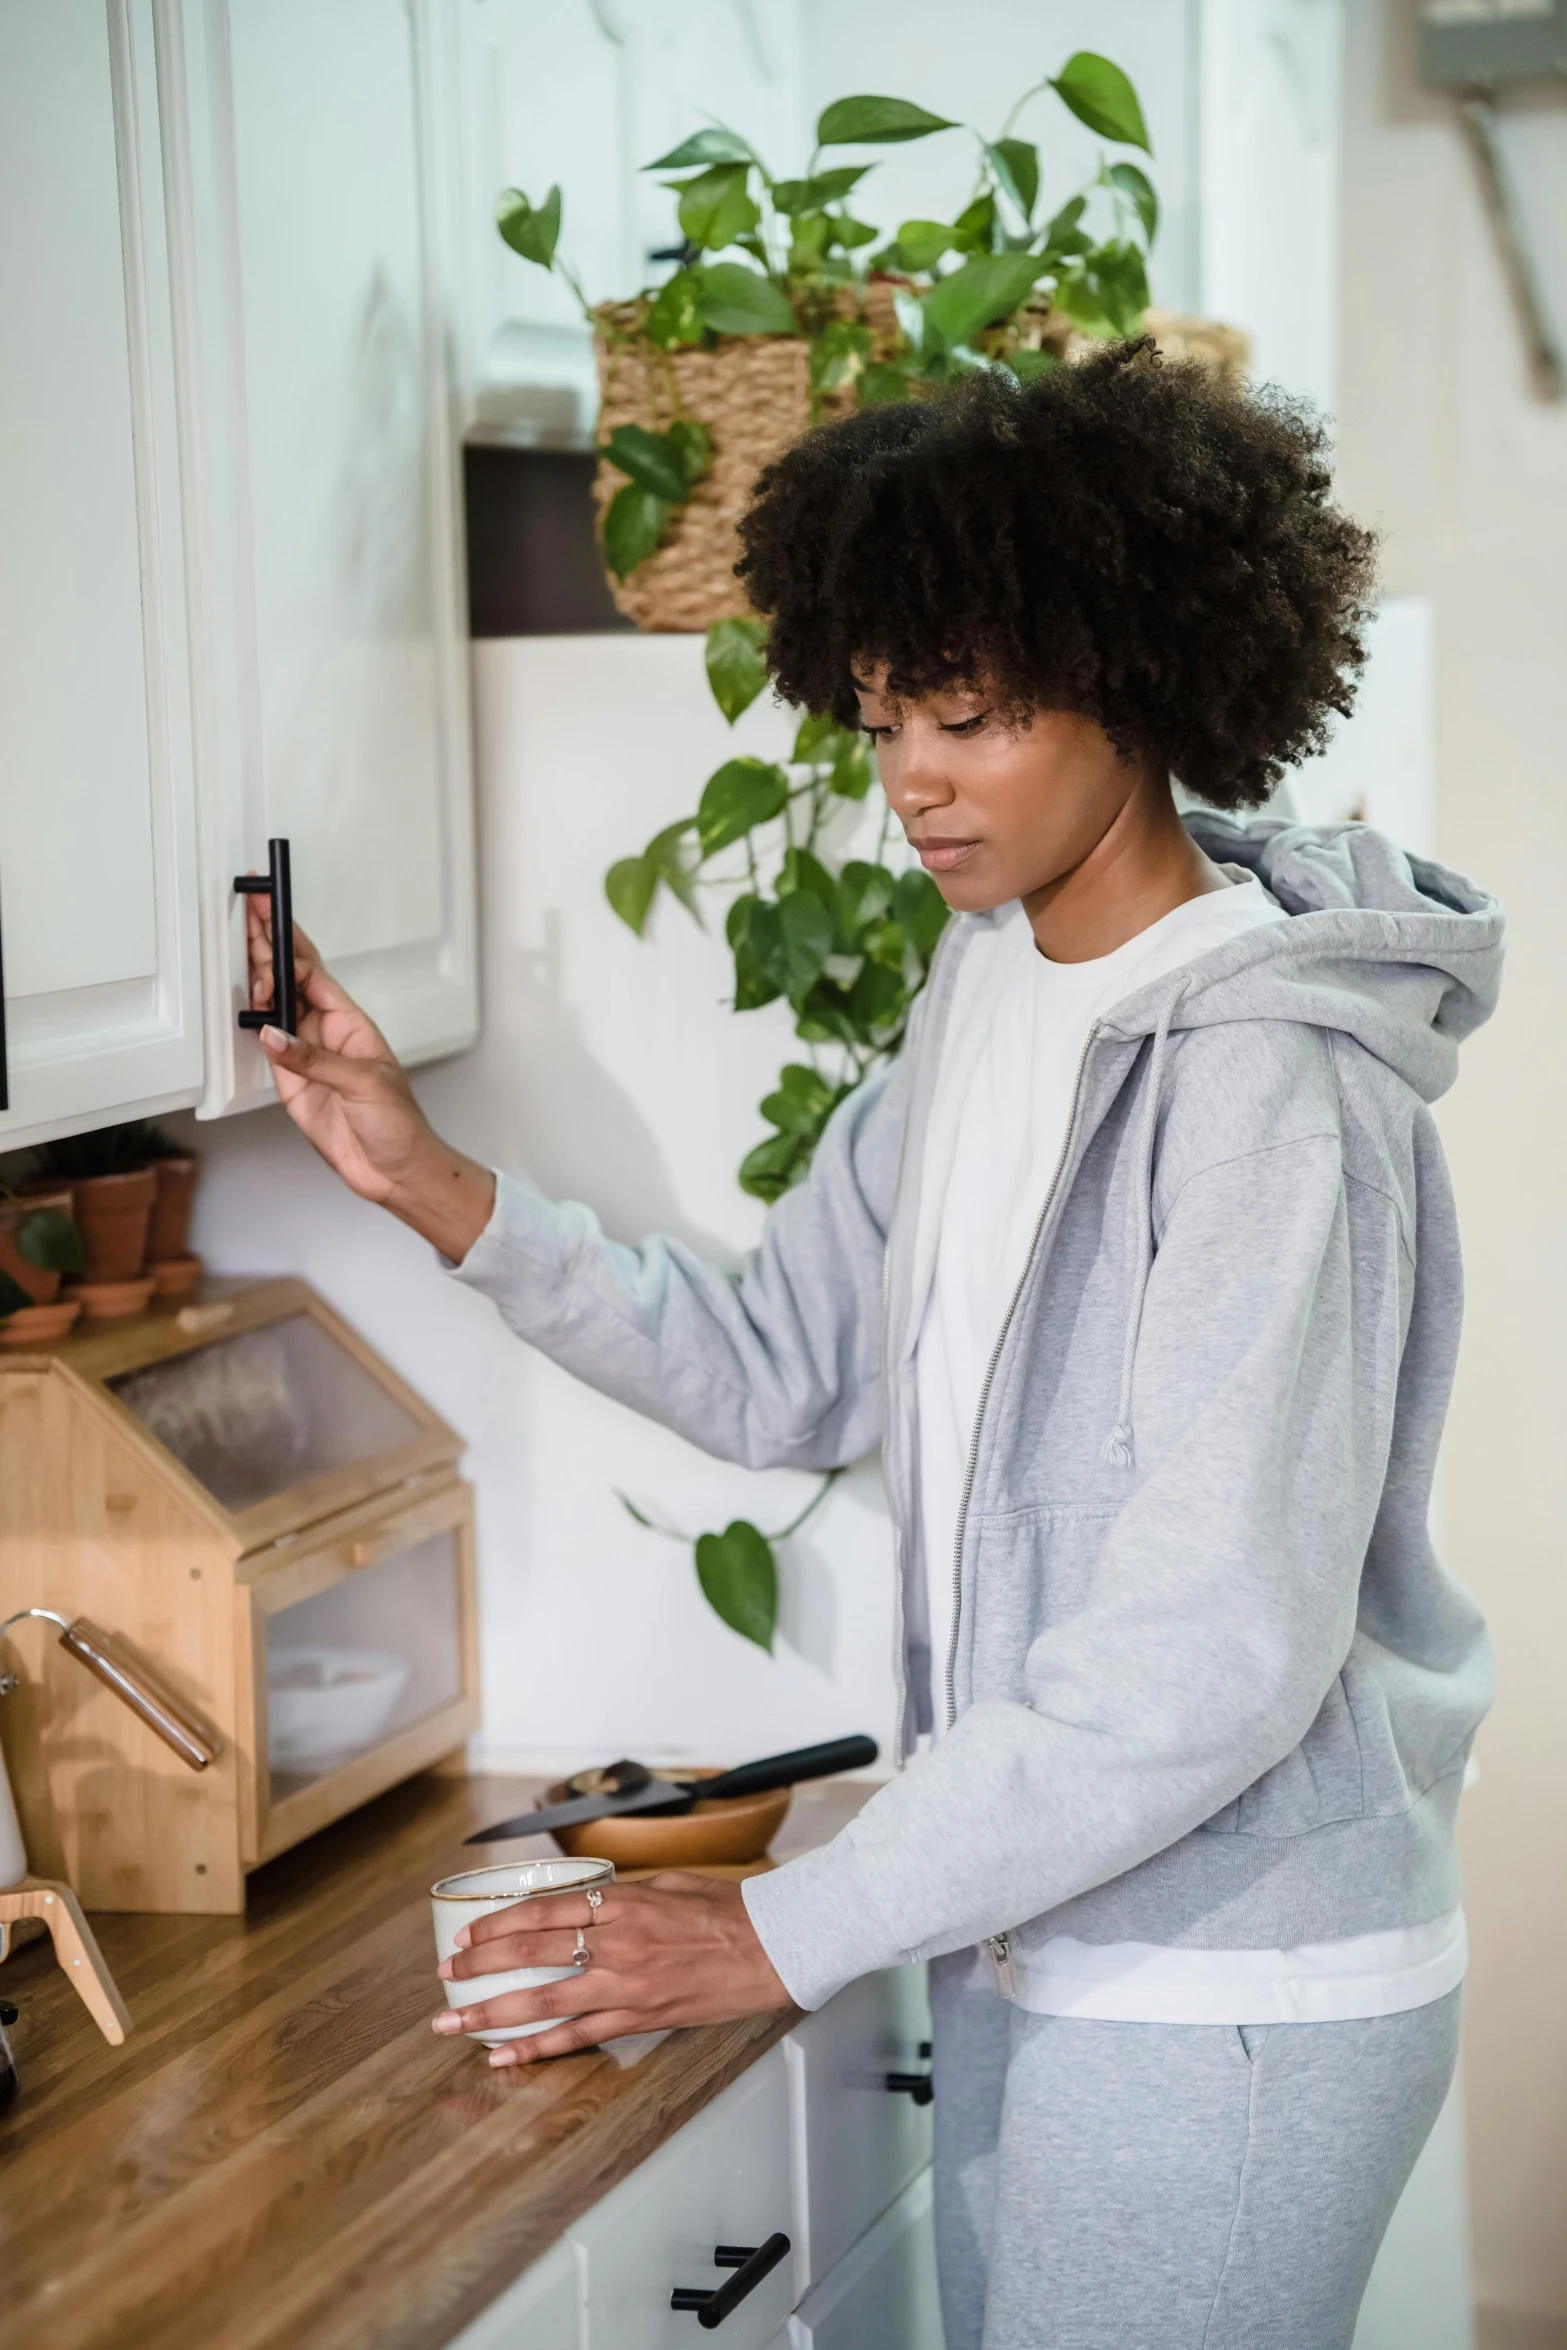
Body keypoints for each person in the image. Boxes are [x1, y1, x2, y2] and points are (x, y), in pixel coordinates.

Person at [247, 343, 1502, 2350]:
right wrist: (434, 1182)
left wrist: (777, 1920)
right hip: (1033, 1936)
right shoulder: (984, 986)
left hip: (1225, 1992)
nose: (915, 774)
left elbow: (1214, 1647)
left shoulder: (1276, 1085)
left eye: (977, 717)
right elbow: (775, 1360)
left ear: (1144, 679)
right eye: (887, 715)